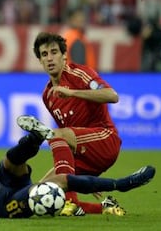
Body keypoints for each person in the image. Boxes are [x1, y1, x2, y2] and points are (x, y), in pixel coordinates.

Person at [0, 127, 156, 218]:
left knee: (9, 161)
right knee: (60, 181)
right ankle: (121, 184)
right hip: (1, 207)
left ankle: (32, 140)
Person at [19, 31, 122, 216]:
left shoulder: (80, 74)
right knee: (37, 194)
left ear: (64, 55)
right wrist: (83, 180)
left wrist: (73, 93)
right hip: (83, 153)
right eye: (44, 54)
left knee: (56, 134)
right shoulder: (48, 96)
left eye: (54, 52)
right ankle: (105, 208)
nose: (50, 58)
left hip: (106, 139)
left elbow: (112, 96)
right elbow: (66, 139)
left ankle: (71, 202)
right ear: (40, 61)